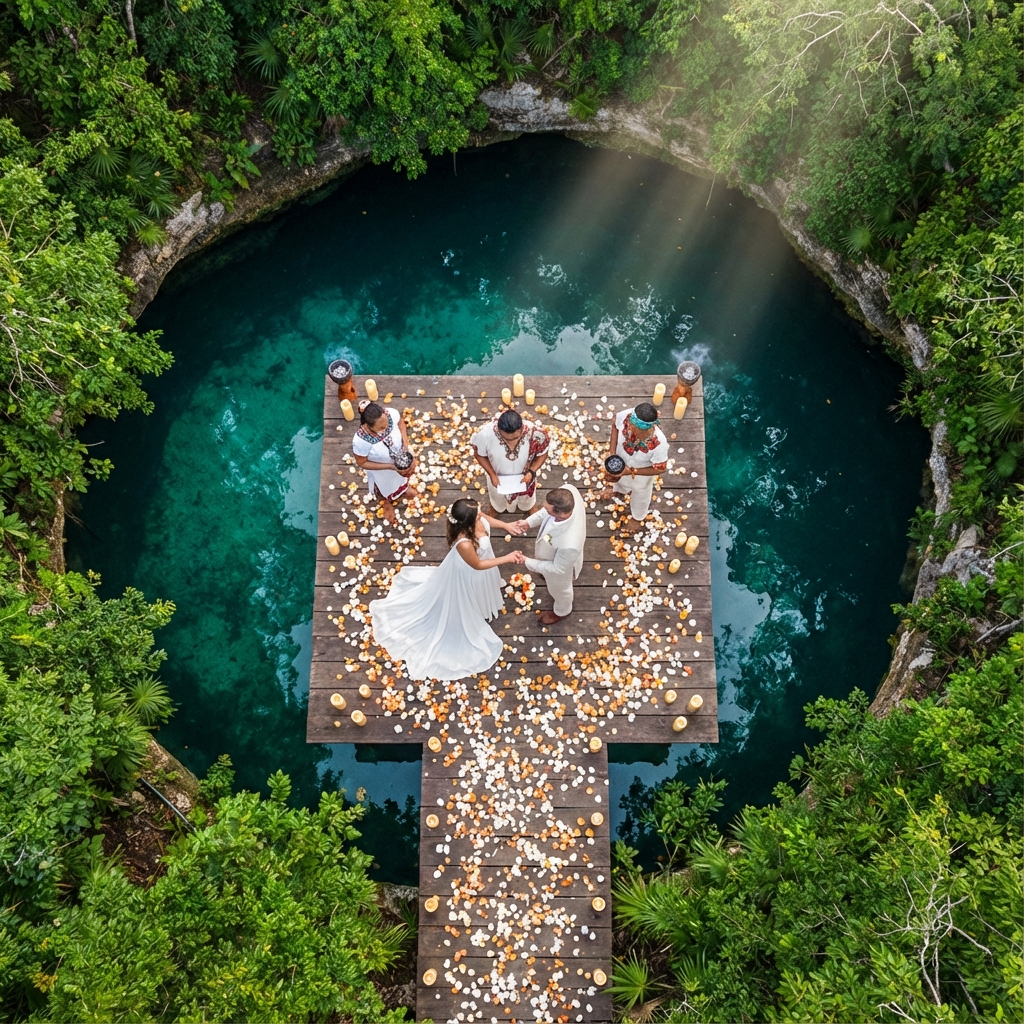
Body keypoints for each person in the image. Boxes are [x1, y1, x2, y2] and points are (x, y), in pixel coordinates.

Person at [369, 499, 525, 681]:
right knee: (468, 596)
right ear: (468, 523)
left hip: (483, 564)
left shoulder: (477, 518)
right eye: (478, 515)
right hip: (471, 572)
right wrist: (507, 558)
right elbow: (478, 565)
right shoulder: (464, 544)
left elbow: (486, 519)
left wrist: (507, 525)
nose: (481, 515)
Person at [508, 486, 586, 625]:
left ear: (559, 514)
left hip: (562, 566)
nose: (544, 508)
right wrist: (528, 522)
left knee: (561, 589)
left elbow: (558, 569)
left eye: (548, 509)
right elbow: (545, 511)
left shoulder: (570, 544)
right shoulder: (569, 490)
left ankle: (562, 611)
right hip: (549, 552)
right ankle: (543, 573)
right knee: (546, 572)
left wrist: (527, 561)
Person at [600, 401, 669, 533]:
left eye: (634, 427)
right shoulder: (626, 416)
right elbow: (615, 425)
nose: (629, 427)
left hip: (641, 474)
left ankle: (638, 517)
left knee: (641, 494)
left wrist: (631, 471)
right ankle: (619, 491)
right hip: (622, 459)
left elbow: (661, 468)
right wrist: (612, 453)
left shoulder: (660, 444)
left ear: (647, 429)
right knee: (619, 480)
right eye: (630, 424)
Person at [471, 409, 550, 514]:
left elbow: (543, 454)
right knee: (497, 496)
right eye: (506, 439)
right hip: (497, 476)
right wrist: (492, 474)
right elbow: (479, 454)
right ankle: (496, 508)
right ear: (498, 430)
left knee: (526, 497)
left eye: (515, 438)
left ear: (522, 429)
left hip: (525, 476)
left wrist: (532, 472)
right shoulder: (486, 434)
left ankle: (528, 507)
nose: (512, 442)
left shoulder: (535, 434)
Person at [351, 401, 418, 524]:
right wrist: (390, 467)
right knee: (383, 485)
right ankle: (386, 502)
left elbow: (400, 423)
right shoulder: (360, 441)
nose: (387, 428)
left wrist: (405, 445)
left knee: (401, 476)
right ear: (368, 427)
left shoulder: (391, 413)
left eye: (387, 424)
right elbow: (361, 463)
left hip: (398, 458)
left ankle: (402, 490)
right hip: (381, 469)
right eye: (382, 428)